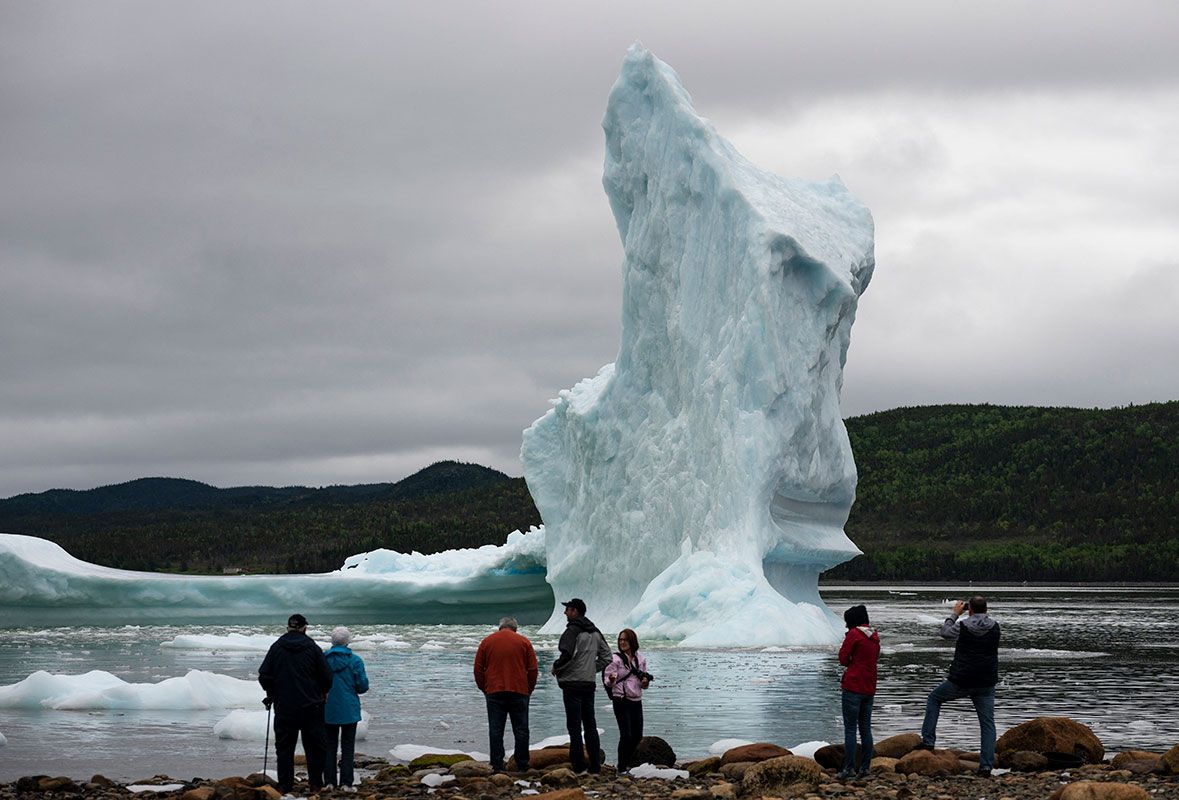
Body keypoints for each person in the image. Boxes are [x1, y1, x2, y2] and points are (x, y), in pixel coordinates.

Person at [917, 596, 1001, 776]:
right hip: (986, 681)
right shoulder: (995, 626)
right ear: (986, 609)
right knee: (987, 723)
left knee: (934, 699)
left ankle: (928, 741)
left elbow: (945, 633)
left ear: (969, 610)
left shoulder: (963, 625)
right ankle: (986, 766)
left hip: (962, 679)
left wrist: (954, 614)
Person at [258, 613, 333, 794]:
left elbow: (264, 675)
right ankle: (315, 784)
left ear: (288, 628)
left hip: (285, 706)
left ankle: (285, 785)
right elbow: (326, 676)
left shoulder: (277, 647)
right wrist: (322, 692)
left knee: (284, 747)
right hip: (312, 706)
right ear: (305, 628)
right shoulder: (313, 648)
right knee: (315, 747)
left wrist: (272, 692)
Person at [551, 598, 612, 774]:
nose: (565, 612)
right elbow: (607, 657)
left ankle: (578, 766)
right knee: (590, 725)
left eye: (568, 609)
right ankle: (595, 765)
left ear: (575, 611)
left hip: (572, 685)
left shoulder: (572, 631)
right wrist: (591, 669)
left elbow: (566, 655)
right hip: (588, 684)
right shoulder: (595, 632)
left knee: (574, 727)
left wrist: (556, 667)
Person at [473, 616, 539, 772]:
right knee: (521, 729)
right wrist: (529, 689)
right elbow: (533, 669)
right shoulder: (524, 642)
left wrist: (484, 688)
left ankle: (497, 764)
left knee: (496, 729)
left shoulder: (487, 642)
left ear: (500, 627)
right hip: (519, 690)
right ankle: (522, 764)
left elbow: (478, 669)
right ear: (515, 628)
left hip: (494, 690)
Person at [837, 604, 880, 780]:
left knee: (850, 729)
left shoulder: (854, 635)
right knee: (865, 729)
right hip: (869, 688)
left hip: (853, 686)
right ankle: (865, 767)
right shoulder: (874, 636)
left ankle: (849, 768)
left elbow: (843, 659)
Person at [322, 626, 369, 788]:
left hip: (327, 708)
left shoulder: (323, 660)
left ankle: (329, 782)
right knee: (348, 747)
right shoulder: (355, 660)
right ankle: (346, 783)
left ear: (332, 641)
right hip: (349, 709)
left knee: (329, 746)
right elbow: (362, 686)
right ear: (348, 641)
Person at [603, 627, 651, 774]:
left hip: (636, 699)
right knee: (626, 734)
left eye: (625, 640)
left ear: (632, 641)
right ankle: (622, 767)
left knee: (637, 735)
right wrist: (611, 680)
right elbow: (607, 680)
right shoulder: (615, 659)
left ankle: (629, 764)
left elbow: (643, 682)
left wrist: (645, 682)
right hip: (621, 700)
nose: (622, 642)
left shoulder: (640, 659)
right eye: (620, 640)